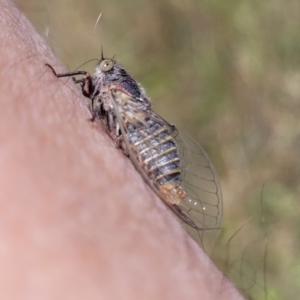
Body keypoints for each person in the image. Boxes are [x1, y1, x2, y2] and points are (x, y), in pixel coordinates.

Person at [0, 1, 243, 299]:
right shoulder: (104, 90)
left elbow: (98, 105)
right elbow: (89, 93)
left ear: (111, 79)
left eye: (105, 67)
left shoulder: (114, 93)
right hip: (139, 129)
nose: (99, 69)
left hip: (145, 141)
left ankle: (167, 183)